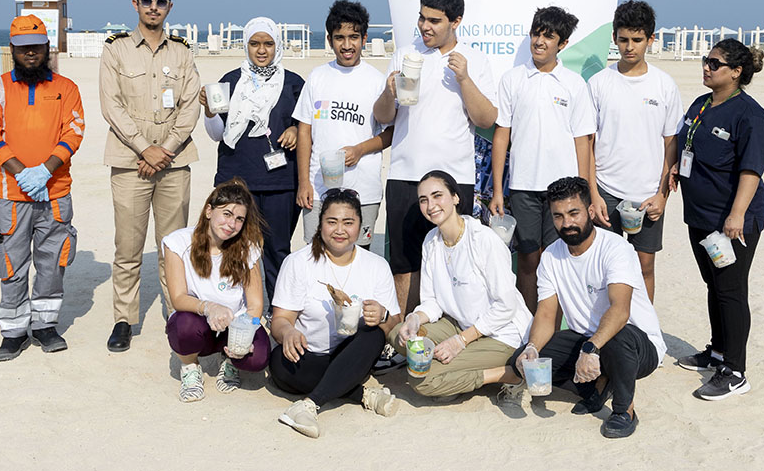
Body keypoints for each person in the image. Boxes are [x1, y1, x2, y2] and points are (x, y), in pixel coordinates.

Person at [373, 0, 497, 316]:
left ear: (456, 21)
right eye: (422, 18)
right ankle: (403, 339)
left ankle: (454, 334)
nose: (425, 27)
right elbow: (384, 116)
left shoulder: (474, 59)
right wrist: (388, 93)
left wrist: (465, 79)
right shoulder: (404, 55)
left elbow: (486, 118)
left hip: (453, 179)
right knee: (404, 264)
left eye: (435, 21)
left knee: (457, 264)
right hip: (405, 174)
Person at [510, 177, 666, 439]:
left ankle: (624, 411)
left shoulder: (615, 247)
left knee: (618, 336)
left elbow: (620, 311)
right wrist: (532, 348)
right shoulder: (551, 255)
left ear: (590, 212)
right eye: (558, 216)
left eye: (574, 213)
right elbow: (547, 314)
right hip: (587, 342)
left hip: (637, 345)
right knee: (523, 361)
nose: (566, 223)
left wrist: (591, 348)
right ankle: (597, 386)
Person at [99, 0, 201, 352]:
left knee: (173, 244)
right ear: (135, 4)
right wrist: (145, 149)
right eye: (147, 1)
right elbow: (112, 106)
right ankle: (124, 319)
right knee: (127, 246)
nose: (153, 7)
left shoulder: (182, 52)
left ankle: (177, 312)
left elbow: (190, 106)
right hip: (130, 163)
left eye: (161, 1)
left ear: (170, 7)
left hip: (173, 164)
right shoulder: (116, 50)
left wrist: (164, 150)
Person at [0, 15, 85, 361]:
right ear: (12, 49)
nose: (31, 54)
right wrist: (21, 172)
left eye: (37, 46)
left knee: (53, 263)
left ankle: (44, 326)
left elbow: (74, 131)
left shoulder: (66, 88)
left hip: (55, 195)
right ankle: (12, 331)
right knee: (11, 263)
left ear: (47, 47)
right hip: (12, 197)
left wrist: (46, 170)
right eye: (23, 48)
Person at [670, 39, 764, 401]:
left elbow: (751, 169)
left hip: (731, 221)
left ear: (736, 71)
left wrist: (737, 215)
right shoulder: (701, 104)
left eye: (714, 63)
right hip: (699, 216)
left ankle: (735, 370)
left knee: (731, 290)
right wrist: (673, 170)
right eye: (705, 60)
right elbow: (687, 145)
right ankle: (716, 351)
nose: (706, 67)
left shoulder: (749, 114)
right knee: (713, 286)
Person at [269, 188, 402, 438]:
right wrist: (287, 332)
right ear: (320, 225)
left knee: (373, 334)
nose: (340, 230)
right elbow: (280, 319)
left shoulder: (376, 266)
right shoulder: (298, 262)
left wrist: (383, 316)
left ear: (361, 226)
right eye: (332, 222)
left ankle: (309, 405)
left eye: (348, 222)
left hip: (353, 355)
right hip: (308, 356)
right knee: (279, 365)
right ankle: (361, 393)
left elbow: (394, 324)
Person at [389, 170, 531, 401]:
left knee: (423, 380)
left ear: (455, 197)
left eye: (437, 196)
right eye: (423, 200)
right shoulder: (431, 241)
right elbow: (432, 302)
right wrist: (414, 318)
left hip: (503, 334)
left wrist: (460, 342)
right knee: (399, 335)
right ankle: (455, 371)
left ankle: (508, 374)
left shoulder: (483, 240)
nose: (430, 205)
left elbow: (506, 306)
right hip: (462, 325)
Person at [490, 6, 595, 313]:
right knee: (527, 259)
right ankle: (526, 328)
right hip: (522, 187)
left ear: (561, 44)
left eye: (548, 36)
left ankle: (552, 335)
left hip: (562, 192)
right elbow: (501, 136)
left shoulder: (574, 84)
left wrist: (585, 191)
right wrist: (499, 190)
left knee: (558, 260)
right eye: (536, 33)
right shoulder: (512, 80)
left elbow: (583, 142)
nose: (540, 41)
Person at [200, 16, 303, 303]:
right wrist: (209, 113)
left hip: (280, 182)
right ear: (246, 46)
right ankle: (232, 304)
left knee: (276, 249)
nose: (261, 50)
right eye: (255, 43)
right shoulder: (230, 81)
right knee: (231, 245)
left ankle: (280, 308)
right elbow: (217, 134)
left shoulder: (294, 84)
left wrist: (295, 128)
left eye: (268, 43)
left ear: (276, 45)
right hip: (236, 179)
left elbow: (307, 126)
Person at [587, 0, 684, 303]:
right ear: (614, 37)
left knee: (645, 267)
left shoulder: (664, 85)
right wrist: (593, 194)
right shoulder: (599, 82)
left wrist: (662, 196)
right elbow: (587, 143)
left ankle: (645, 334)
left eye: (637, 40)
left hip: (647, 194)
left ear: (650, 40)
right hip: (606, 192)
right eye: (623, 39)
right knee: (606, 268)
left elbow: (672, 144)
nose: (629, 47)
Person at [294, 0, 392, 248]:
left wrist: (360, 150)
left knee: (358, 256)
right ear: (329, 40)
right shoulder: (317, 77)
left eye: (354, 37)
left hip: (364, 189)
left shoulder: (376, 80)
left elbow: (390, 133)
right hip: (318, 188)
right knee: (316, 255)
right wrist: (304, 182)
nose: (347, 45)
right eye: (339, 38)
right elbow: (304, 131)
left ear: (364, 38)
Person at [162, 179, 270, 402]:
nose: (232, 224)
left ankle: (229, 361)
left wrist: (243, 335)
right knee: (183, 326)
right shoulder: (178, 242)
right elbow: (178, 298)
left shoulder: (247, 248)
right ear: (209, 210)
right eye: (227, 214)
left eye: (240, 218)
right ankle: (190, 366)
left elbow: (256, 304)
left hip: (235, 323)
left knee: (257, 358)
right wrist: (209, 307)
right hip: (198, 319)